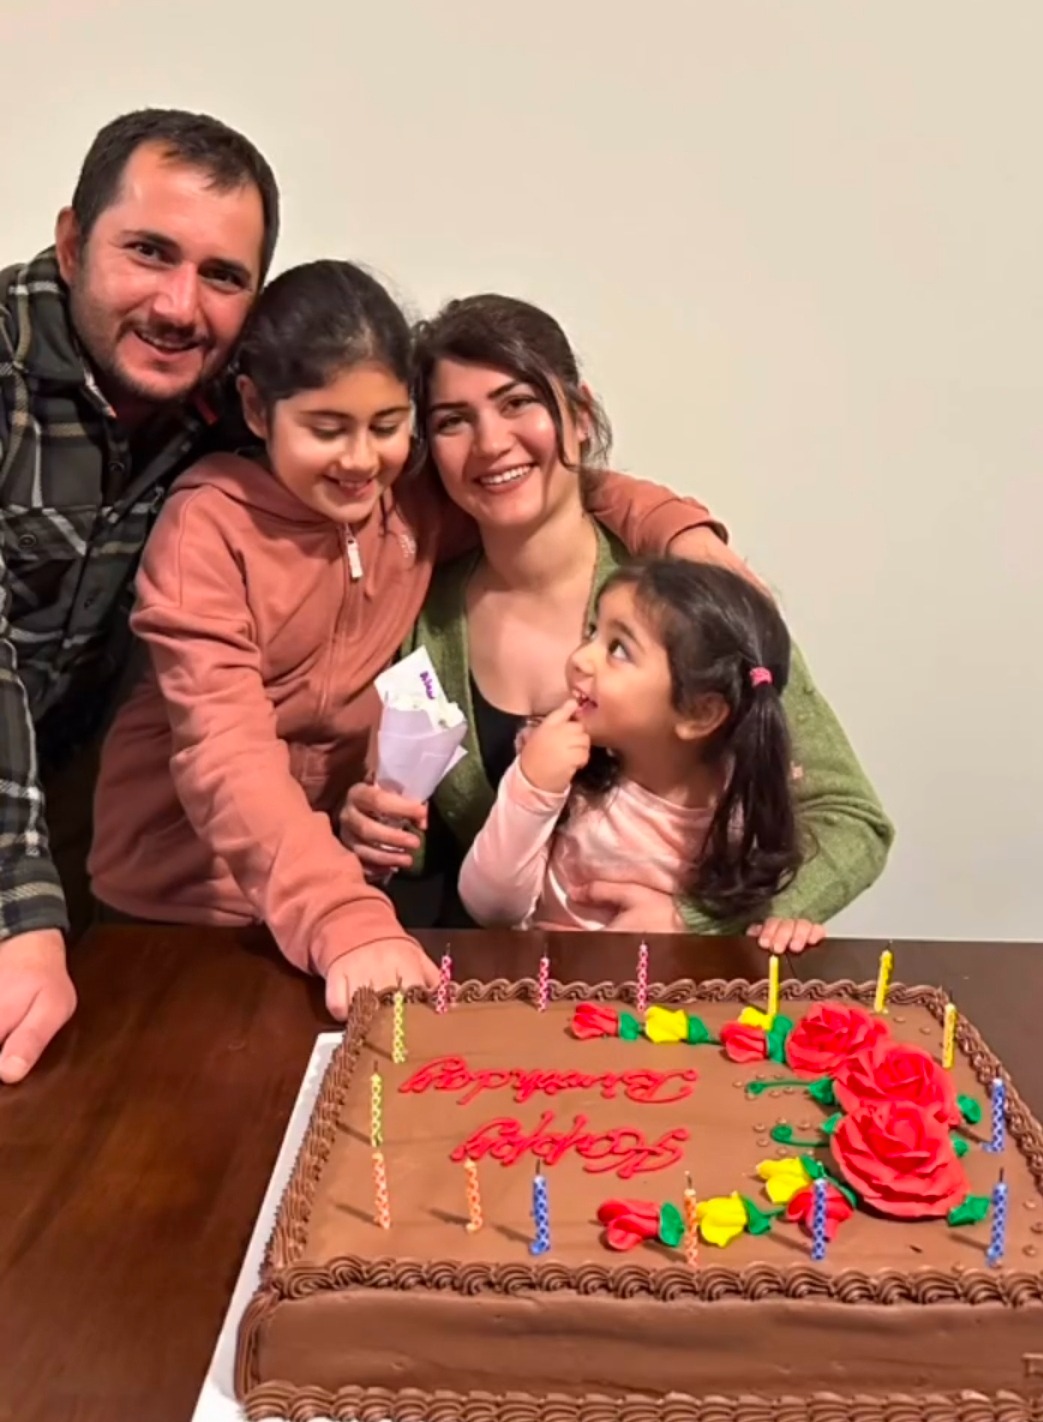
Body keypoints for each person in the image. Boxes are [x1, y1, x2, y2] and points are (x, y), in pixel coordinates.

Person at [88, 261, 733, 1019]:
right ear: (257, 409)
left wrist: (676, 527)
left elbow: (551, 481)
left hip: (334, 900)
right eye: (326, 429)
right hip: (180, 905)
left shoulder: (409, 507)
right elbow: (224, 750)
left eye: (387, 426)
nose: (361, 461)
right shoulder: (208, 526)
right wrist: (344, 918)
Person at [341, 295, 894, 944]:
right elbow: (434, 851)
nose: (490, 443)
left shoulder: (686, 596)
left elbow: (851, 819)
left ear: (580, 415)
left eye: (518, 403)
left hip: (673, 996)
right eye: (453, 421)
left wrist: (697, 921)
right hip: (505, 987)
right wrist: (375, 832)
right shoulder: (422, 617)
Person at [0, 107, 279, 1084]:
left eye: (222, 276)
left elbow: (430, 448)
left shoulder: (233, 397)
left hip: (73, 814)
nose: (178, 305)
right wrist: (18, 911)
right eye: (149, 252)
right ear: (74, 244)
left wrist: (661, 528)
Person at [459, 556, 820, 935]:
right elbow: (490, 908)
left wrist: (783, 929)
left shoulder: (743, 809)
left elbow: (748, 918)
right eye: (592, 632)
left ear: (699, 713)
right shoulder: (562, 768)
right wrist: (532, 790)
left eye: (618, 650)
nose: (580, 658)